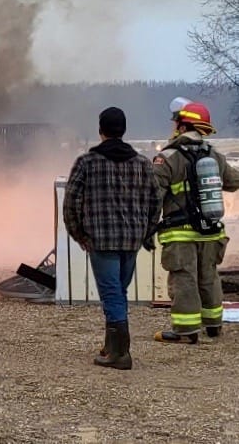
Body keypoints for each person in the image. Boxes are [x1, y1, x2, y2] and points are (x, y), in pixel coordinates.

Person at [60, 106, 161, 370]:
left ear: (101, 131)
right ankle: (111, 347)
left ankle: (120, 354)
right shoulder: (142, 164)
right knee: (118, 292)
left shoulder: (86, 163)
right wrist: (145, 233)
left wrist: (79, 234)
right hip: (131, 240)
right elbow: (155, 202)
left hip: (101, 241)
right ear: (124, 130)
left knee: (112, 294)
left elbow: (71, 203)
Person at [152, 99, 239, 343]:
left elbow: (153, 197)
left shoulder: (167, 158)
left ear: (182, 126)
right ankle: (213, 326)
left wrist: (147, 228)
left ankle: (185, 330)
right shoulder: (215, 156)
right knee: (209, 276)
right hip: (211, 231)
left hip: (180, 234)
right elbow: (233, 182)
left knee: (184, 279)